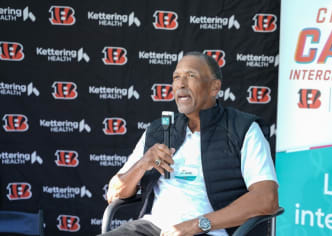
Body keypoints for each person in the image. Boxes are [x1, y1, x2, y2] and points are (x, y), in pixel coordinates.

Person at [102, 52, 279, 236]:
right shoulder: (158, 130)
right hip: (152, 229)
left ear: (214, 86)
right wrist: (142, 165)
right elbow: (114, 193)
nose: (181, 84)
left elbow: (267, 199)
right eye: (176, 77)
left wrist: (197, 225)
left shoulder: (243, 129)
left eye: (191, 76)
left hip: (207, 231)